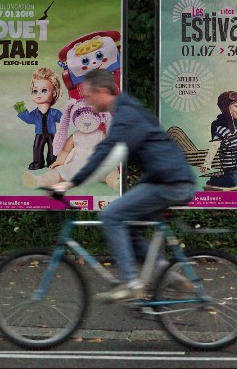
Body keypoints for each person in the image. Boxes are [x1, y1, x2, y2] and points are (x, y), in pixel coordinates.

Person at [50, 69, 196, 303]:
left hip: (169, 182)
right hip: (166, 179)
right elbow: (111, 153)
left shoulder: (126, 114)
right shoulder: (126, 110)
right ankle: (168, 276)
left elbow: (107, 152)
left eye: (88, 96)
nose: (86, 102)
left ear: (101, 91)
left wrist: (71, 181)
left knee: (112, 215)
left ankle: (131, 283)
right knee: (129, 230)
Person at [14, 67, 63, 170]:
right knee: (37, 147)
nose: (39, 94)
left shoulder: (54, 113)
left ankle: (52, 160)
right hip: (39, 133)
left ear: (53, 93)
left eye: (44, 90)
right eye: (35, 91)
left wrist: (70, 113)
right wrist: (23, 112)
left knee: (53, 148)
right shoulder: (35, 113)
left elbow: (63, 119)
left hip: (52, 134)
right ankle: (37, 161)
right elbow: (29, 119)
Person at [199, 91, 237, 187]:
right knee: (232, 182)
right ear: (226, 108)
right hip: (228, 161)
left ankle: (234, 177)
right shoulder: (221, 128)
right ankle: (213, 180)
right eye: (236, 106)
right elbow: (214, 146)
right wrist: (207, 163)